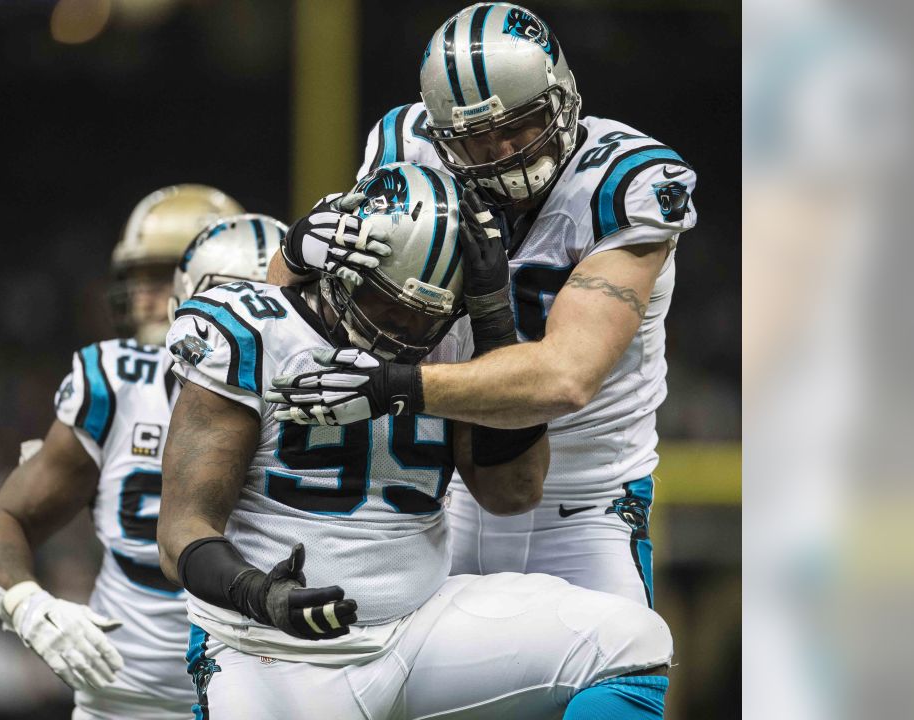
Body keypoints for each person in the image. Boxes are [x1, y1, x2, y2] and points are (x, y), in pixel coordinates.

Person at [161, 162, 673, 720]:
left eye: (425, 315)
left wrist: (494, 329)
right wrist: (260, 595)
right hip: (272, 651)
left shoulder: (452, 339)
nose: (403, 331)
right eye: (389, 305)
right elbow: (181, 529)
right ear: (342, 269)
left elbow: (513, 492)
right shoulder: (247, 332)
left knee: (630, 642)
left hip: (417, 627)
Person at [268, 3, 698, 608]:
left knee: (627, 672)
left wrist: (395, 384)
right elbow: (292, 314)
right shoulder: (404, 150)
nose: (501, 154)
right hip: (444, 491)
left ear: (563, 98)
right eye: (473, 140)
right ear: (440, 138)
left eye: (519, 126)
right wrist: (297, 252)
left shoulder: (624, 183)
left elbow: (566, 377)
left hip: (587, 499)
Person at [0, 183, 283, 719]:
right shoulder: (117, 383)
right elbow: (3, 523)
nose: (146, 298)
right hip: (126, 698)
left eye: (160, 277)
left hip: (271, 695)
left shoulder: (317, 389)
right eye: (140, 280)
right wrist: (28, 604)